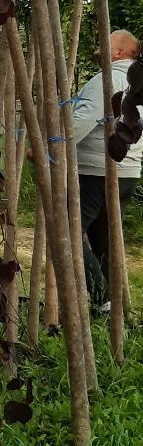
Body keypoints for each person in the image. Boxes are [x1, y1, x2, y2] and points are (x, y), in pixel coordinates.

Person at [73, 29, 143, 308]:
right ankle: (111, 307)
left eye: (107, 40)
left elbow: (83, 117)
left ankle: (101, 297)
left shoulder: (108, 78)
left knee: (68, 233)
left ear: (119, 52)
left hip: (95, 170)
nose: (99, 43)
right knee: (104, 238)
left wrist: (51, 148)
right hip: (128, 172)